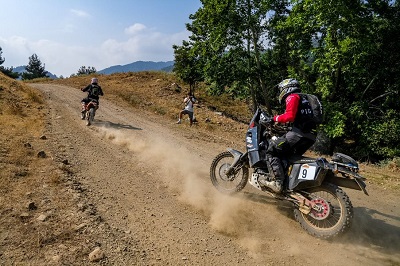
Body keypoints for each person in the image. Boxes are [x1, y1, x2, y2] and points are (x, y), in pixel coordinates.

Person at [260, 78, 317, 193]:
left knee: (271, 150)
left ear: (286, 88)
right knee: (288, 157)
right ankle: (290, 186)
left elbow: (290, 116)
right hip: (310, 136)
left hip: (298, 134)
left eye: (281, 89)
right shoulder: (305, 99)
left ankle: (277, 182)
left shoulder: (292, 97)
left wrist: (274, 118)